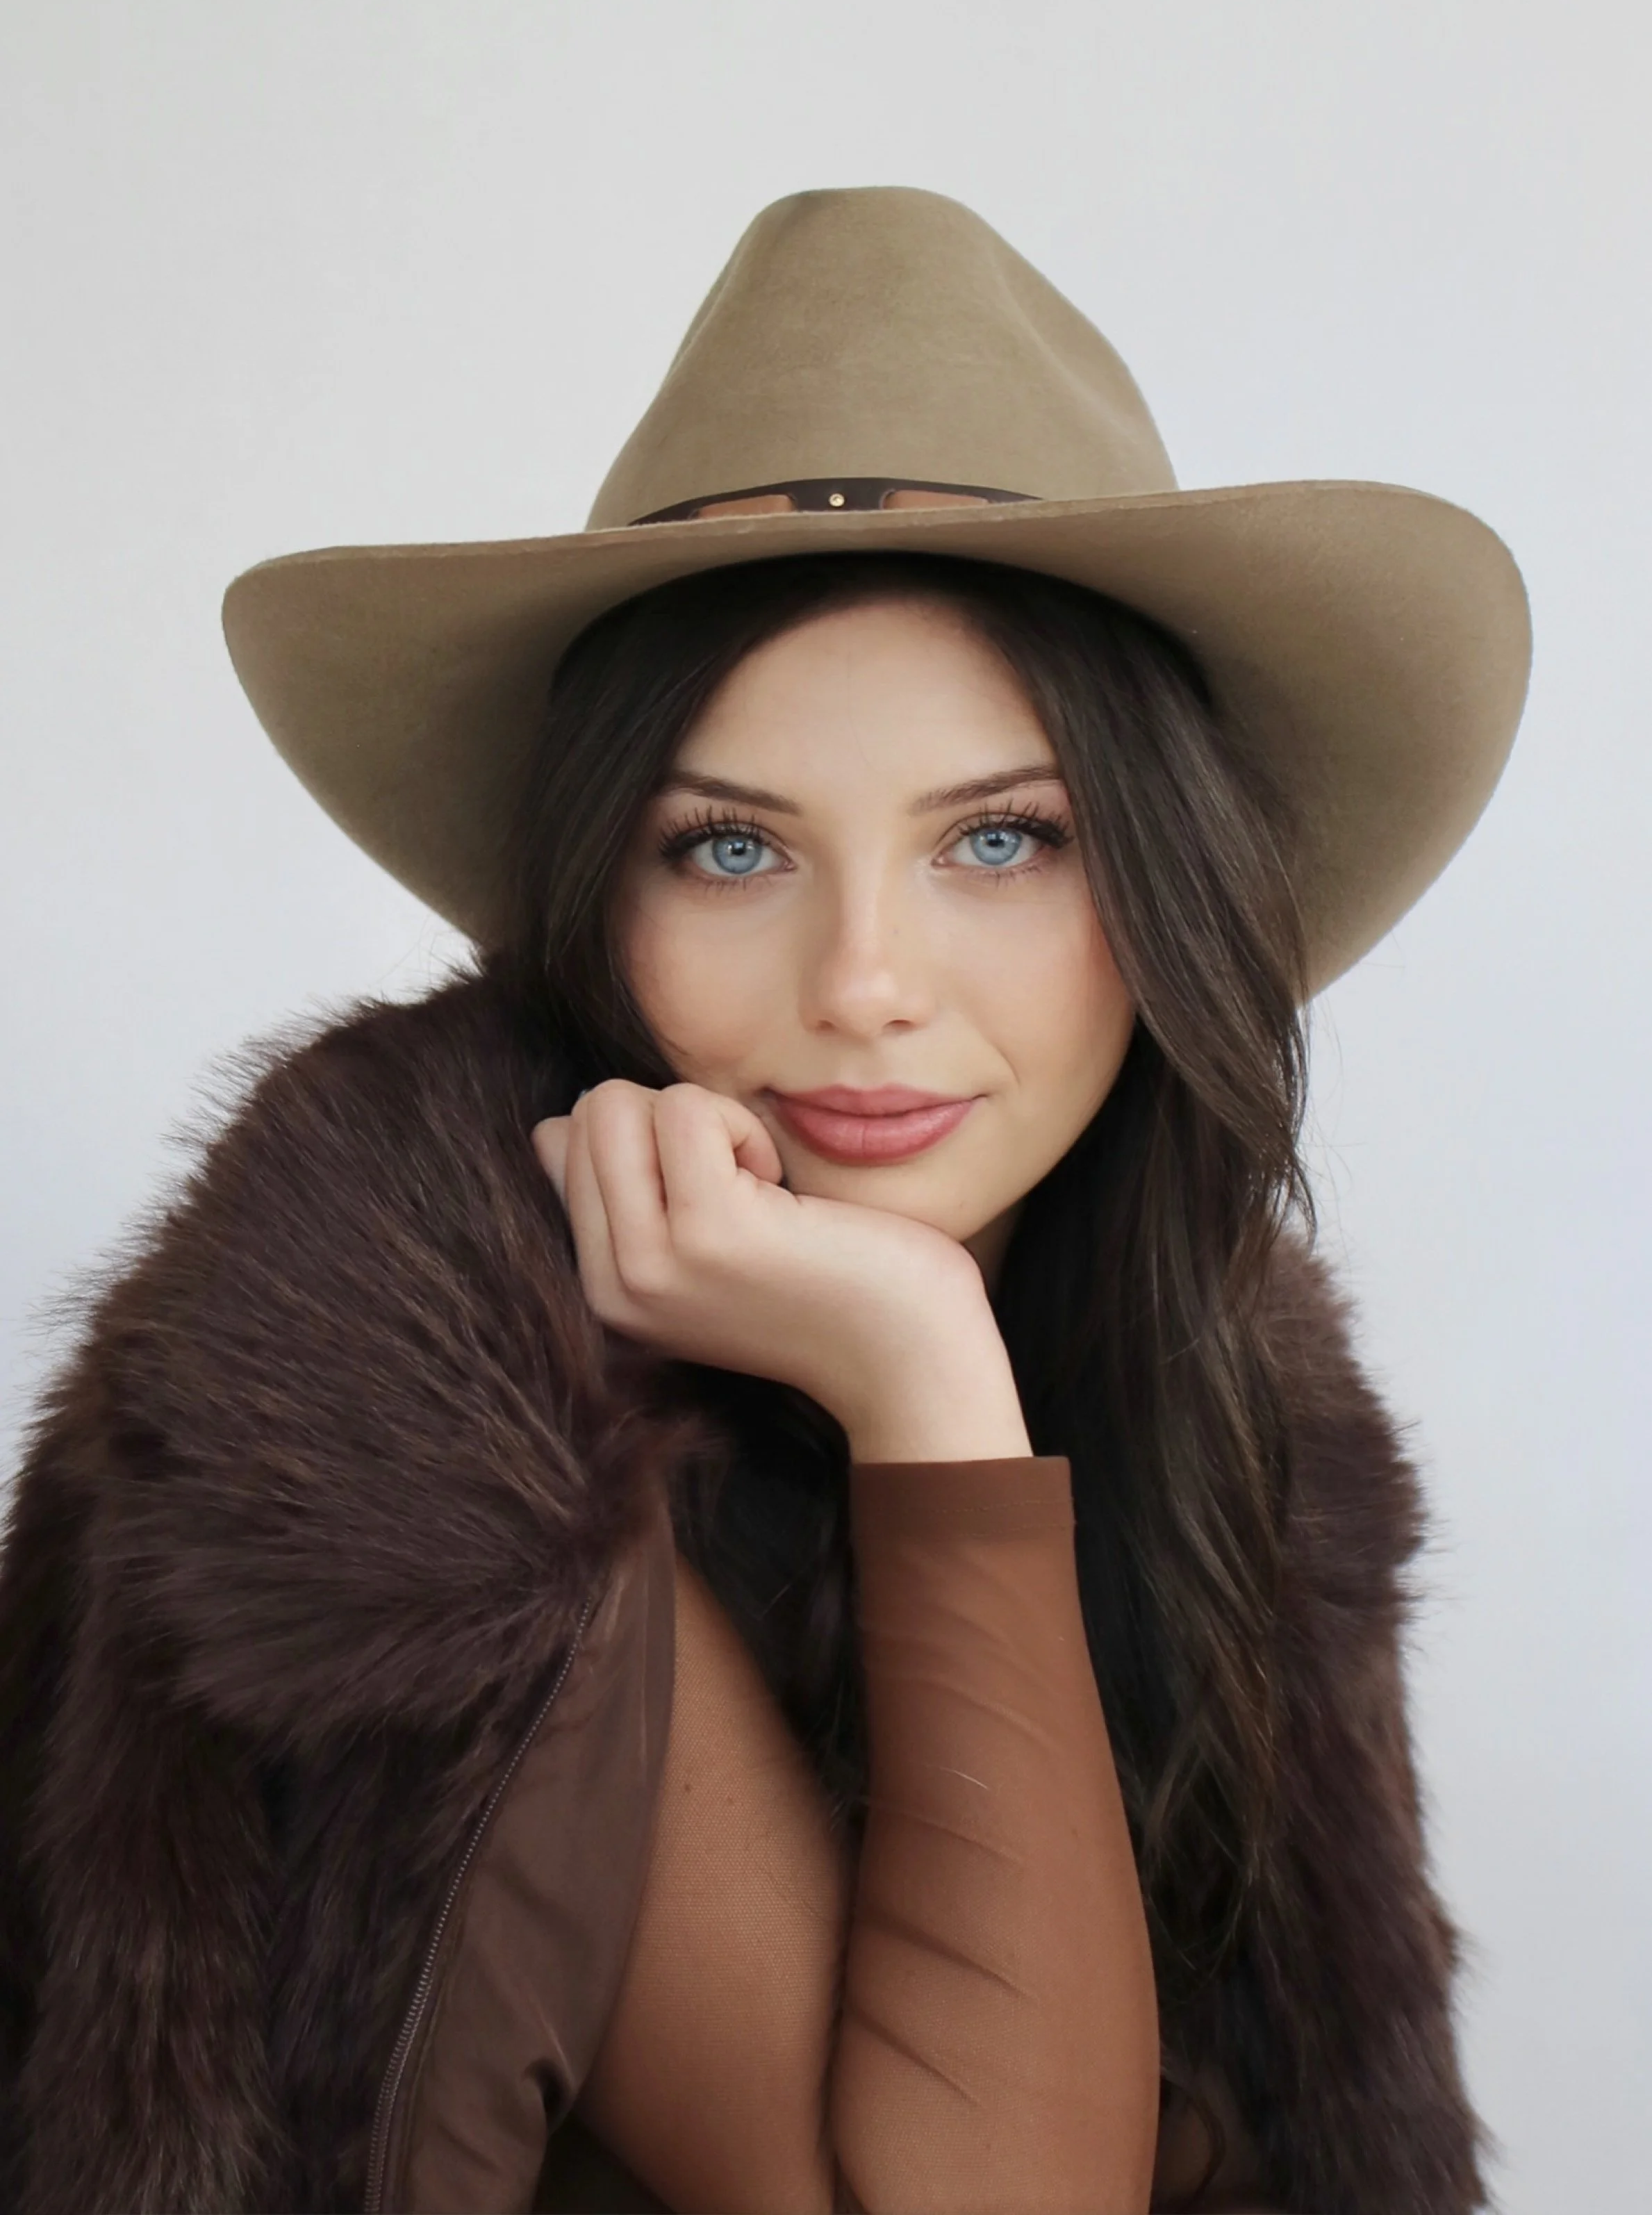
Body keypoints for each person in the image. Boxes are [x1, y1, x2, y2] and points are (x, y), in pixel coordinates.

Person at [0, 187, 1529, 2215]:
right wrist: (921, 1380)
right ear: (592, 887)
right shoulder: (419, 1392)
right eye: (731, 849)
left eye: (1002, 839)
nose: (865, 981)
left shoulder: (1220, 1385)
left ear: (1168, 887)